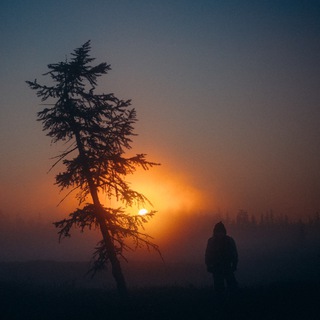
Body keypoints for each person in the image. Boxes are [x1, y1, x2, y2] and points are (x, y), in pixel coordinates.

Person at [205, 221, 238, 295]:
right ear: (215, 232)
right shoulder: (211, 241)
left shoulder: (229, 241)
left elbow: (234, 254)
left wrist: (234, 265)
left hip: (227, 266)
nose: (220, 234)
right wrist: (208, 265)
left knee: (232, 286)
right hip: (216, 267)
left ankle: (234, 301)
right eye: (218, 231)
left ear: (224, 232)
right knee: (219, 288)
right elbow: (208, 254)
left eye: (221, 231)